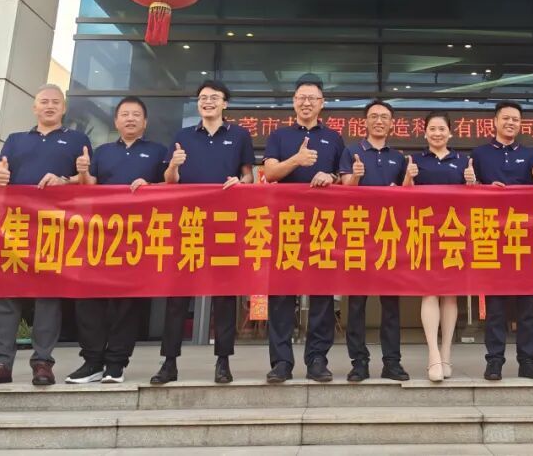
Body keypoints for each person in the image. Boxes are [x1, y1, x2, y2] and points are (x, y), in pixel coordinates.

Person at [0, 84, 92, 388]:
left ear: (63, 108)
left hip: (54, 226)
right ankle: (0, 362)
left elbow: (89, 182)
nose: (49, 106)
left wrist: (66, 180)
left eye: (55, 102)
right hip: (15, 225)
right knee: (5, 293)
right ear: (34, 107)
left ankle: (42, 363)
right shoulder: (15, 140)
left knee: (48, 295)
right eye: (44, 101)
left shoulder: (78, 140)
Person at [149, 80, 254, 386]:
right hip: (188, 222)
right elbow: (170, 180)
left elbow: (249, 176)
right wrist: (174, 166)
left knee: (224, 294)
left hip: (224, 222)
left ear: (225, 104)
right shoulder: (183, 136)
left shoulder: (239, 135)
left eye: (214, 97)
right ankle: (169, 362)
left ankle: (223, 361)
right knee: (177, 295)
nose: (208, 101)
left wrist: (241, 183)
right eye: (203, 97)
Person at [66, 96, 168, 385]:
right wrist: (83, 172)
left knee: (127, 303)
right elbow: (90, 186)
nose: (130, 119)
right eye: (125, 114)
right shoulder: (102, 152)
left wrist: (151, 185)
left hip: (138, 237)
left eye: (136, 114)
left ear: (145, 122)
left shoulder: (158, 151)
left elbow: (172, 186)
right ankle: (92, 361)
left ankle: (116, 364)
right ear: (116, 121)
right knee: (89, 299)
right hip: (101, 235)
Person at [262, 79, 345, 383]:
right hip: (286, 224)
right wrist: (296, 160)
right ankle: (281, 362)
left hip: (322, 225)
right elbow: (270, 173)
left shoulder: (334, 138)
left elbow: (344, 177)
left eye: (312, 98)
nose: (306, 102)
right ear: (294, 102)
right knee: (281, 295)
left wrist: (331, 177)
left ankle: (317, 360)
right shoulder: (279, 136)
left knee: (322, 295)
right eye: (301, 97)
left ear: (322, 103)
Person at [471, 100, 533, 381]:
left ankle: (528, 361)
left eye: (515, 119)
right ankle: (494, 362)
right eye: (505, 118)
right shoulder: (479, 154)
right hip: (491, 236)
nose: (510, 123)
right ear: (494, 122)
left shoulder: (530, 155)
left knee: (528, 304)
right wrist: (483, 188)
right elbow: (470, 190)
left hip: (524, 235)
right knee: (495, 306)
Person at [337, 100, 410, 382]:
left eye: (384, 117)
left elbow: (406, 196)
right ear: (365, 122)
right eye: (374, 116)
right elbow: (345, 191)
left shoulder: (398, 158)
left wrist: (403, 186)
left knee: (391, 304)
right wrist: (355, 177)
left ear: (392, 123)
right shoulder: (351, 151)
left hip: (389, 237)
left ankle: (392, 362)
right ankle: (359, 362)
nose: (379, 121)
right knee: (356, 303)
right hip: (358, 235)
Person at [403, 111, 476, 382]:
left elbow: (474, 199)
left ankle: (446, 355)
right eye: (432, 129)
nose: (437, 133)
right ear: (425, 133)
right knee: (429, 291)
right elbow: (402, 196)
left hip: (455, 232)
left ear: (450, 133)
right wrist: (409, 178)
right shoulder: (415, 161)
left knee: (451, 295)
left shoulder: (464, 161)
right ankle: (433, 355)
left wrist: (472, 183)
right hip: (425, 231)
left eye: (441, 129)